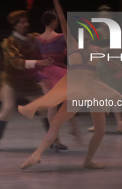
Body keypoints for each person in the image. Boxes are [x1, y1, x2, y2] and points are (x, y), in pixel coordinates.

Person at [18, 0, 122, 169]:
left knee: (100, 130)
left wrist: (121, 69)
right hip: (76, 88)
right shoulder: (73, 44)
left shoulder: (96, 49)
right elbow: (61, 18)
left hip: (93, 87)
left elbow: (109, 61)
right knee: (57, 123)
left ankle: (89, 159)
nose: (84, 36)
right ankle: (36, 154)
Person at [0, 10, 53, 151]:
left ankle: (54, 141)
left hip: (28, 80)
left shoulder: (34, 38)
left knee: (45, 109)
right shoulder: (8, 43)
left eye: (27, 21)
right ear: (15, 26)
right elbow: (17, 62)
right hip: (11, 80)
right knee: (7, 109)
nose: (26, 24)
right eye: (22, 22)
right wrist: (38, 62)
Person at [36, 10, 82, 150]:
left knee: (52, 105)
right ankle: (72, 128)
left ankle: (55, 140)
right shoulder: (61, 37)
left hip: (43, 73)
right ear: (52, 21)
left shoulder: (38, 39)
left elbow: (41, 54)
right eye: (55, 20)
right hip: (58, 72)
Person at [87, 5, 122, 134]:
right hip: (101, 65)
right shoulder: (95, 33)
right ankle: (98, 123)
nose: (105, 18)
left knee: (116, 94)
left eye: (108, 16)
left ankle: (120, 123)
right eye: (103, 16)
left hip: (115, 65)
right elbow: (93, 50)